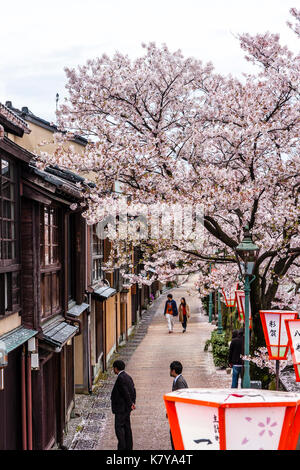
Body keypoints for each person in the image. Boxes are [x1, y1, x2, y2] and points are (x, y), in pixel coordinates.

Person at [111, 359, 136, 450]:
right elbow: (133, 390)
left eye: (113, 368)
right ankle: (128, 447)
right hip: (126, 408)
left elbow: (125, 392)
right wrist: (133, 402)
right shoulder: (128, 377)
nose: (113, 370)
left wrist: (130, 403)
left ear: (116, 368)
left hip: (121, 408)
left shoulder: (120, 378)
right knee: (127, 427)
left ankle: (122, 447)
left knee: (119, 428)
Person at [168, 361, 188, 449]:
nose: (169, 372)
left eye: (170, 370)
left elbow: (182, 399)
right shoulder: (178, 380)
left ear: (173, 371)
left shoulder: (179, 382)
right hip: (177, 413)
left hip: (179, 415)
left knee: (174, 434)